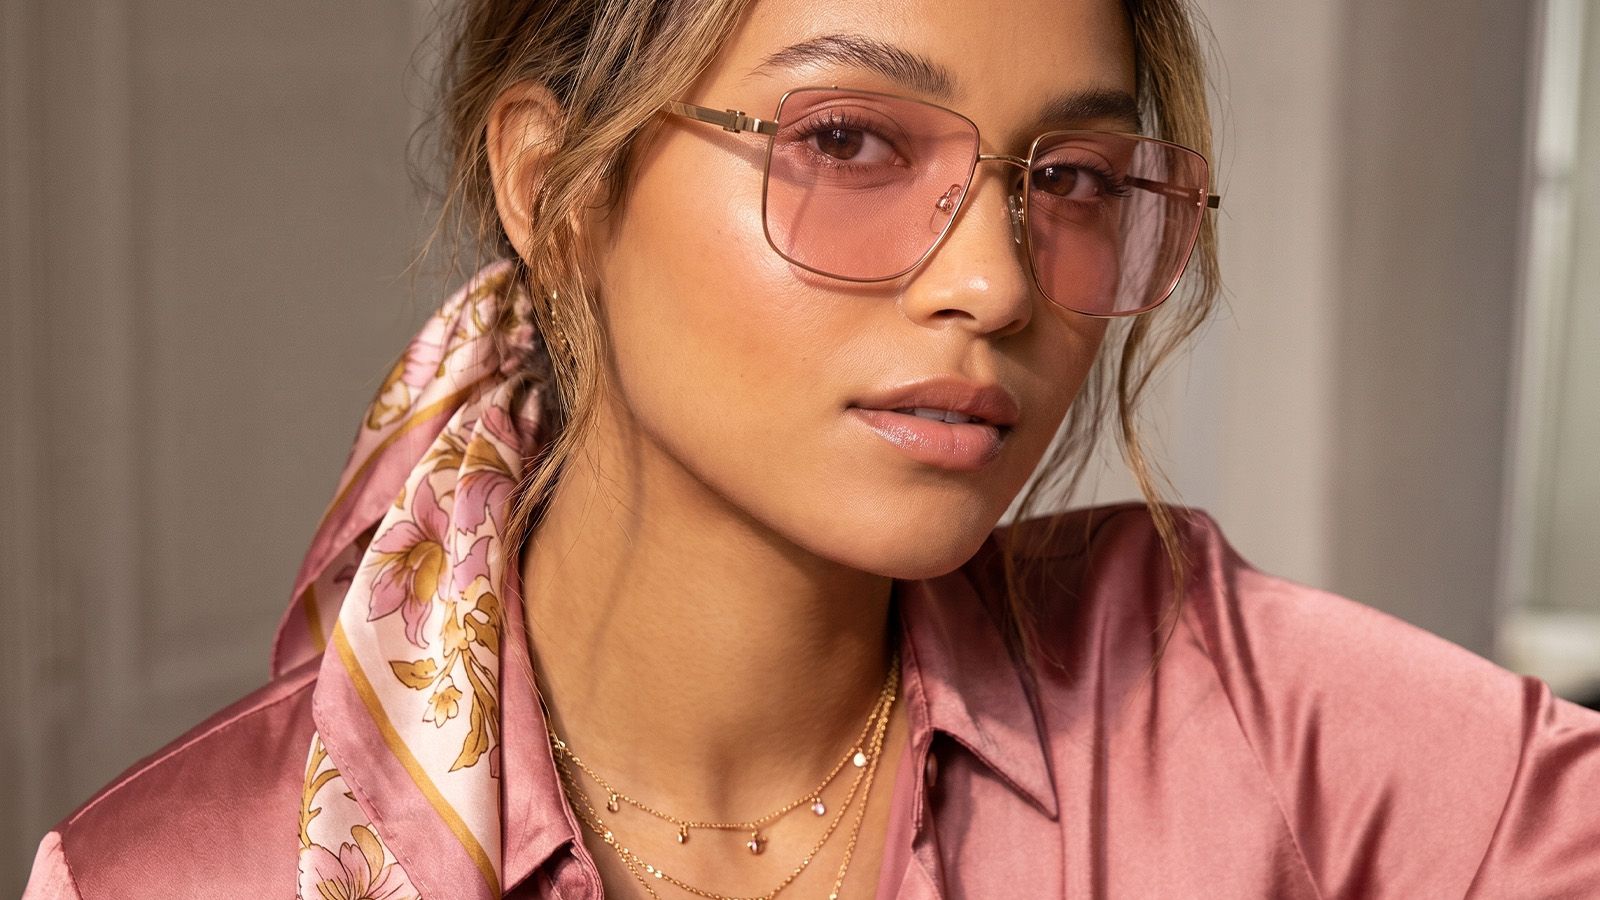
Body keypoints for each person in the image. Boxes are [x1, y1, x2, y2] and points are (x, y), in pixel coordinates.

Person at [22, 0, 1600, 897]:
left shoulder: (1238, 712)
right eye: (846, 142)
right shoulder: (177, 876)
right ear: (558, 189)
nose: (991, 281)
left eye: (1072, 177)